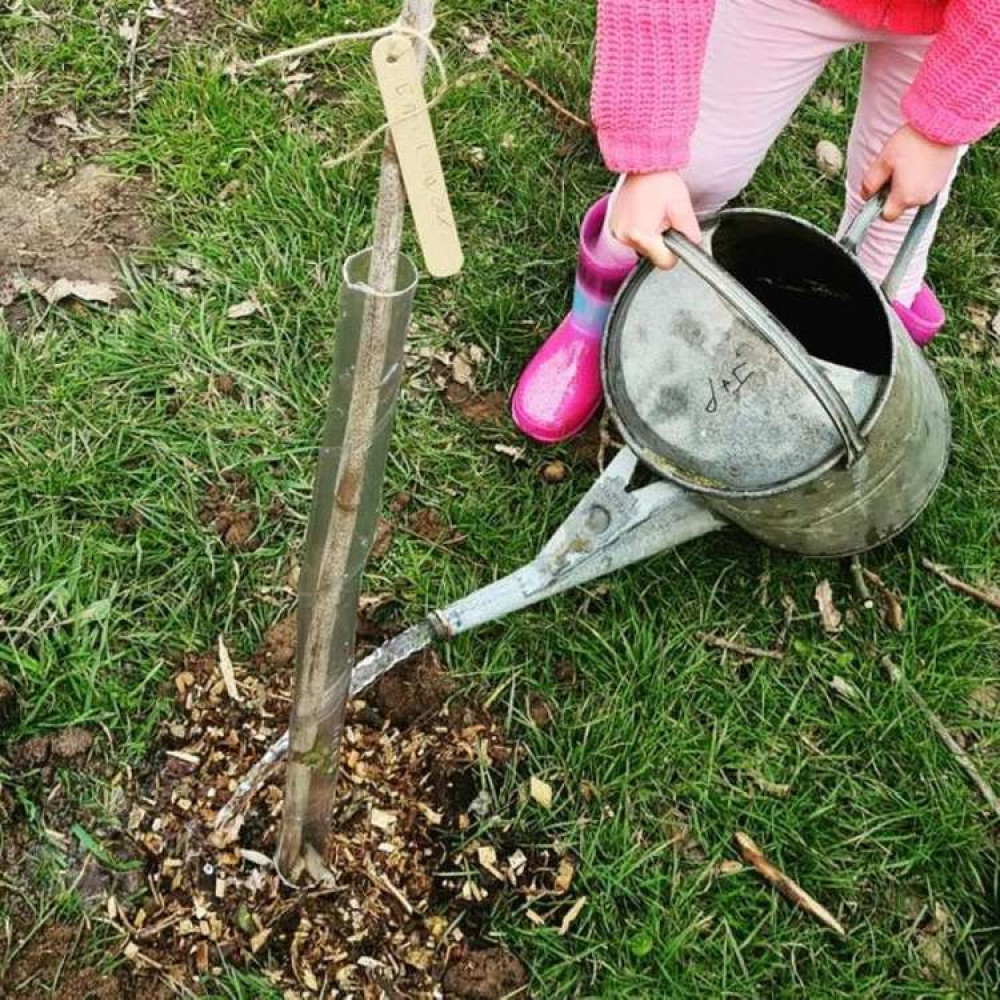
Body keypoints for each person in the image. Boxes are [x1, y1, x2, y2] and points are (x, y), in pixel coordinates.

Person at [512, 0, 999, 444]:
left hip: (955, 22)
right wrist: (649, 155)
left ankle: (866, 374)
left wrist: (943, 122)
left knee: (898, 216)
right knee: (698, 166)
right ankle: (595, 318)